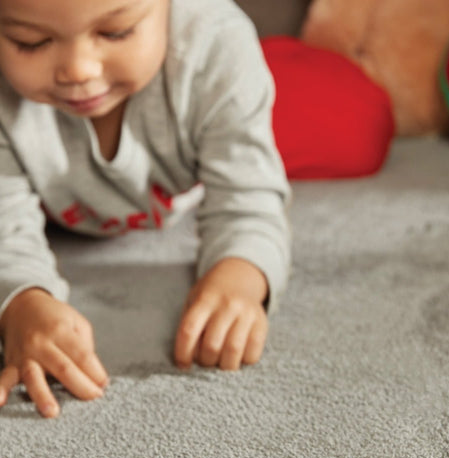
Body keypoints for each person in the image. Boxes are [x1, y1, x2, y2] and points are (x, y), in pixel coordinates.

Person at [0, 0, 291, 418]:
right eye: (31, 42)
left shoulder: (214, 45)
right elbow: (6, 225)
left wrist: (242, 273)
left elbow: (249, 195)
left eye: (115, 32)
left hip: (196, 143)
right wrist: (21, 303)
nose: (79, 69)